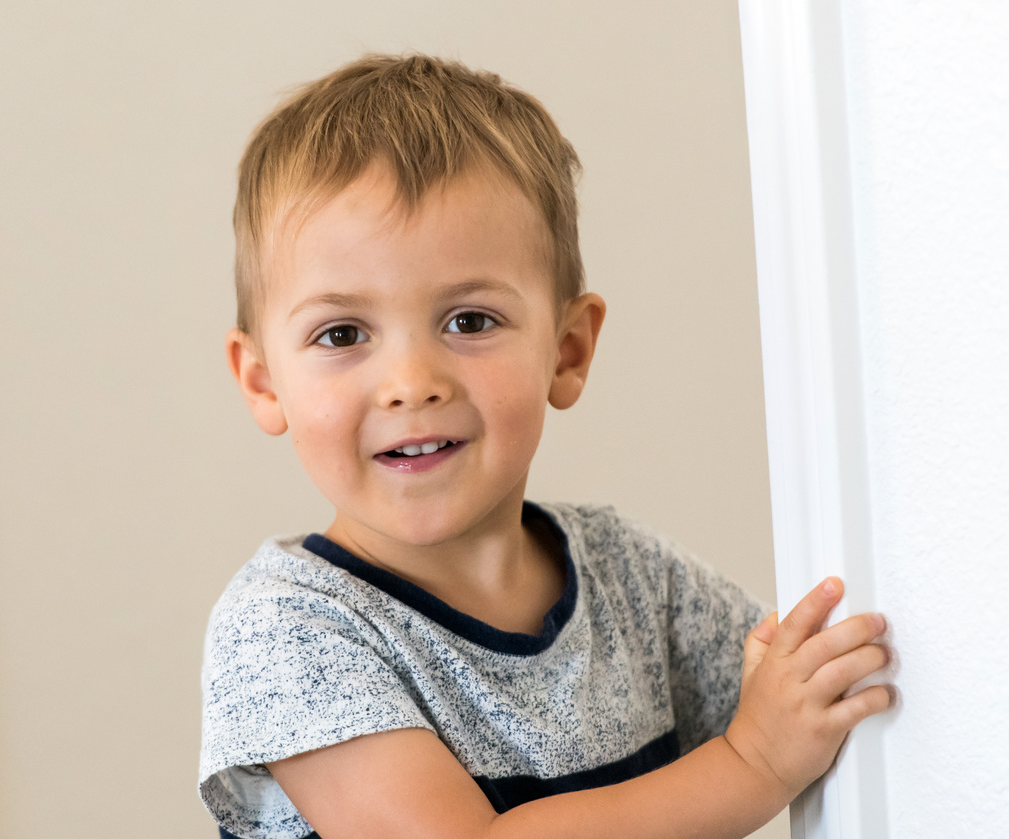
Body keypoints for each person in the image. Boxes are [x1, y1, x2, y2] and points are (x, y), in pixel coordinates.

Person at [199, 54, 892, 839]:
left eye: (469, 321)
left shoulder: (631, 575)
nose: (411, 382)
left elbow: (795, 690)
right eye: (343, 333)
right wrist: (755, 763)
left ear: (566, 350)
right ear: (262, 381)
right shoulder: (289, 628)